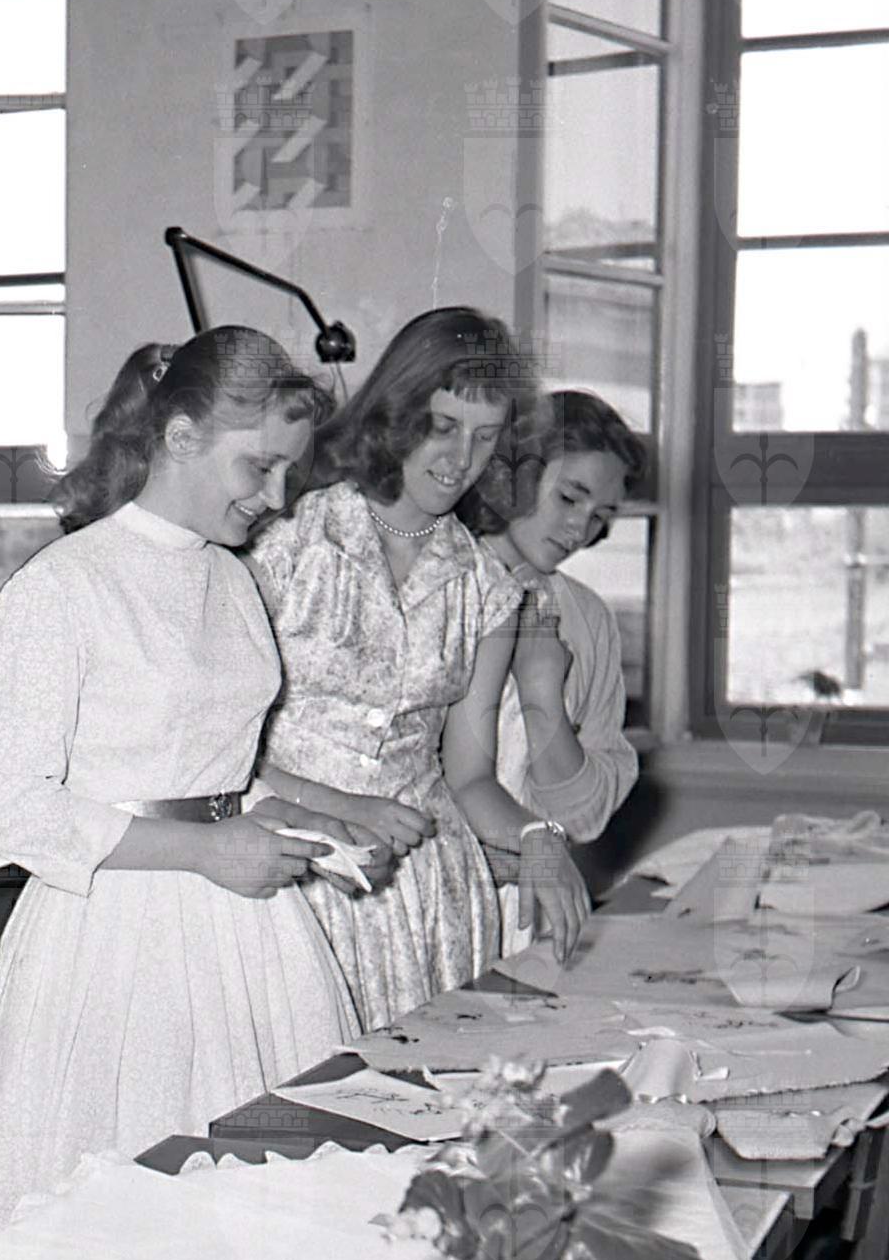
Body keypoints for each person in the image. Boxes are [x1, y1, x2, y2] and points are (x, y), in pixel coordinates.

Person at [0, 327, 381, 1256]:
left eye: (289, 472)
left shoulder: (233, 579)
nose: (276, 498)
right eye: (259, 467)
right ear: (180, 437)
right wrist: (210, 849)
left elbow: (204, 768)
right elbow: (15, 808)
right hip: (114, 934)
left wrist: (281, 818)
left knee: (260, 1222)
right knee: (121, 1217)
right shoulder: (63, 587)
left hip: (247, 937)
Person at [248, 307, 591, 1034]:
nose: (461, 458)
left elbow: (469, 776)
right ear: (398, 413)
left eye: (485, 436)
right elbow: (221, 749)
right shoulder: (286, 540)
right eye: (443, 426)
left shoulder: (487, 588)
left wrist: (539, 837)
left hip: (424, 898)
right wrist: (329, 806)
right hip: (287, 872)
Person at [459, 390, 643, 954]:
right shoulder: (441, 584)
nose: (579, 529)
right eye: (569, 497)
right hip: (426, 904)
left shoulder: (587, 619)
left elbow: (583, 817)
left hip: (527, 920)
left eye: (601, 517)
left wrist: (543, 694)